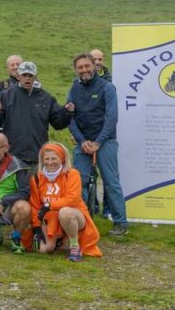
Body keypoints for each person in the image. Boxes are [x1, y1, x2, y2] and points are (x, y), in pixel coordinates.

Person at [67, 53, 128, 237]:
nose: (84, 70)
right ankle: (82, 221)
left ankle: (121, 223)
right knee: (79, 183)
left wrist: (98, 142)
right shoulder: (74, 89)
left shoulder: (107, 87)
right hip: (83, 143)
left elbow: (112, 117)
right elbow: (70, 117)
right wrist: (82, 141)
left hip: (105, 141)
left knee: (111, 182)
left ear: (94, 66)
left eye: (87, 66)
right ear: (76, 69)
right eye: (80, 67)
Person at [0, 61, 73, 168]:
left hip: (37, 155)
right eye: (24, 75)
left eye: (30, 75)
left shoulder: (46, 98)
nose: (27, 78)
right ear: (18, 76)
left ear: (35, 77)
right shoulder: (6, 96)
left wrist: (66, 112)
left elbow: (58, 124)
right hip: (13, 156)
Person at [26, 142, 102, 261]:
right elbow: (35, 205)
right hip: (50, 219)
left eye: (54, 158)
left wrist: (49, 205)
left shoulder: (72, 174)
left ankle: (74, 246)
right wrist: (36, 227)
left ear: (62, 158)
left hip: (74, 215)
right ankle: (60, 240)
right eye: (47, 159)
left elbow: (72, 199)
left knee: (65, 212)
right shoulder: (36, 178)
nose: (50, 162)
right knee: (44, 250)